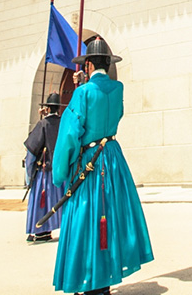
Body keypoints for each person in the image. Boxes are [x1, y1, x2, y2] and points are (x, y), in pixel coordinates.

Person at [51, 38, 153, 295]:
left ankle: (89, 279)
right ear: (108, 64)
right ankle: (107, 275)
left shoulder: (82, 93)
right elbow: (113, 114)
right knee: (112, 216)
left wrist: (60, 172)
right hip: (113, 157)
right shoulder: (118, 88)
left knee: (87, 218)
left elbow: (70, 135)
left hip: (90, 161)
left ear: (86, 66)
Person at [23, 91, 66, 243]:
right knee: (60, 200)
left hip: (44, 172)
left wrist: (28, 175)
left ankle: (41, 229)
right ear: (59, 109)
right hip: (61, 170)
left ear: (47, 108)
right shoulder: (63, 123)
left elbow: (31, 152)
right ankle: (61, 226)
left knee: (42, 200)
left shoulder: (42, 124)